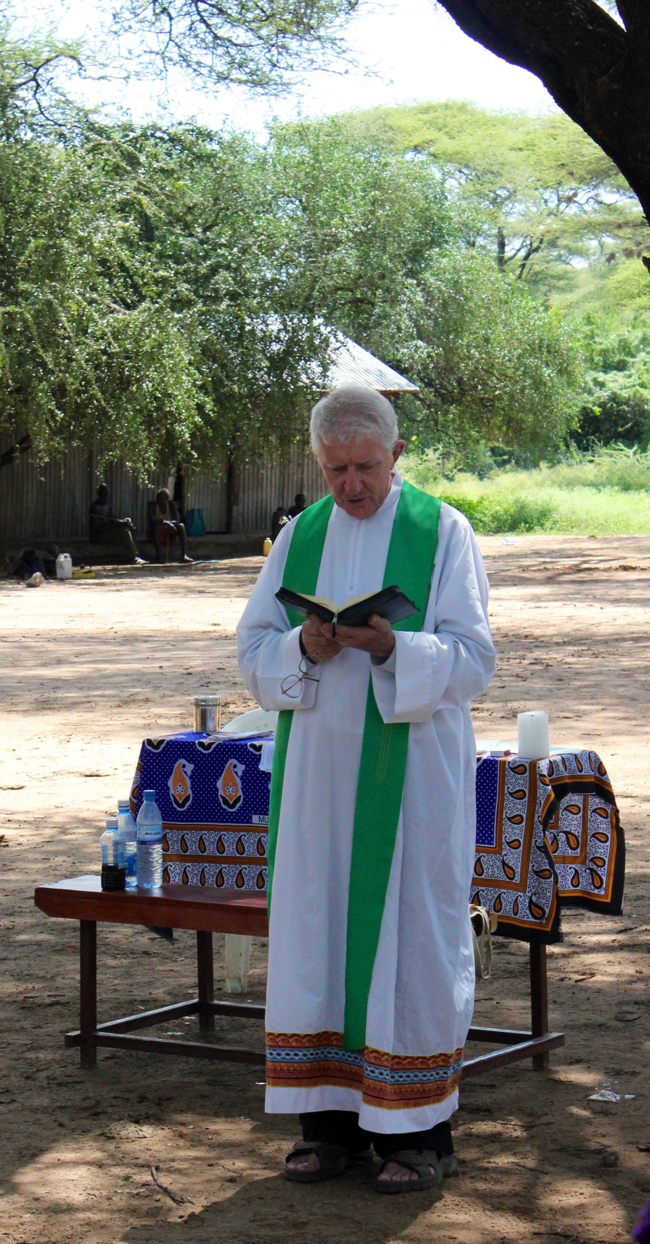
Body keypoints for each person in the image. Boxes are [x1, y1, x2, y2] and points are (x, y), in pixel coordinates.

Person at [237, 386, 496, 1194]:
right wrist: (302, 647)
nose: (351, 485)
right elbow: (254, 649)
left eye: (366, 468)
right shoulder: (300, 536)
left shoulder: (442, 532)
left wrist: (392, 649)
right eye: (335, 469)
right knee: (319, 934)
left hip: (411, 777)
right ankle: (328, 1130)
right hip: (318, 777)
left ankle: (418, 1137)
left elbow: (475, 659)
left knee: (408, 942)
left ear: (398, 455)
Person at [89, 485, 145, 564]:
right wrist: (114, 526)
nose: (106, 495)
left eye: (107, 493)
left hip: (108, 532)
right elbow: (97, 527)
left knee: (129, 527)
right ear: (99, 493)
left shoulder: (108, 505)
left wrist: (122, 522)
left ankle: (132, 554)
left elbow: (112, 520)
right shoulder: (94, 506)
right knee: (125, 532)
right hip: (99, 535)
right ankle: (133, 557)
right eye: (104, 493)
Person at [147, 488, 193, 564]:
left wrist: (169, 524)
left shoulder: (171, 504)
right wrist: (167, 523)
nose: (160, 501)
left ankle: (183, 555)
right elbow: (152, 520)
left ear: (167, 500)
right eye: (158, 499)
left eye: (162, 499)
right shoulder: (152, 505)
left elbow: (177, 520)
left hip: (169, 529)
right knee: (157, 528)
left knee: (181, 526)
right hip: (155, 530)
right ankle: (159, 557)